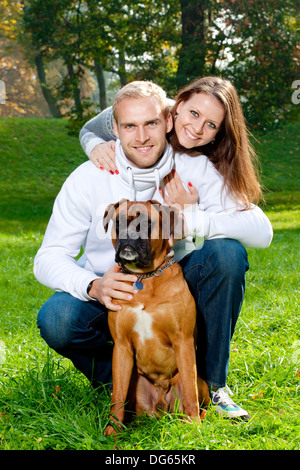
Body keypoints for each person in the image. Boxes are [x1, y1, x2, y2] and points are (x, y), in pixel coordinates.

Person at [35, 80, 273, 422]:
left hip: (171, 285)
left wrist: (189, 219)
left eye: (151, 124)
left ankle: (210, 384)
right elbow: (48, 257)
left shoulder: (194, 167)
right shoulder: (88, 177)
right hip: (112, 294)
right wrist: (93, 286)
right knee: (57, 318)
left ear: (168, 122)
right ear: (115, 129)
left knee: (227, 255)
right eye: (129, 126)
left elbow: (261, 230)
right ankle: (124, 384)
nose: (142, 136)